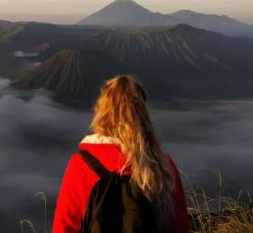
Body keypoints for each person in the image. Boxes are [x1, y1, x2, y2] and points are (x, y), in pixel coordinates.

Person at [52, 75, 189, 233]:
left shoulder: (82, 164)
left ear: (102, 112)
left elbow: (65, 226)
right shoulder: (163, 164)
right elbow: (179, 225)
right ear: (143, 113)